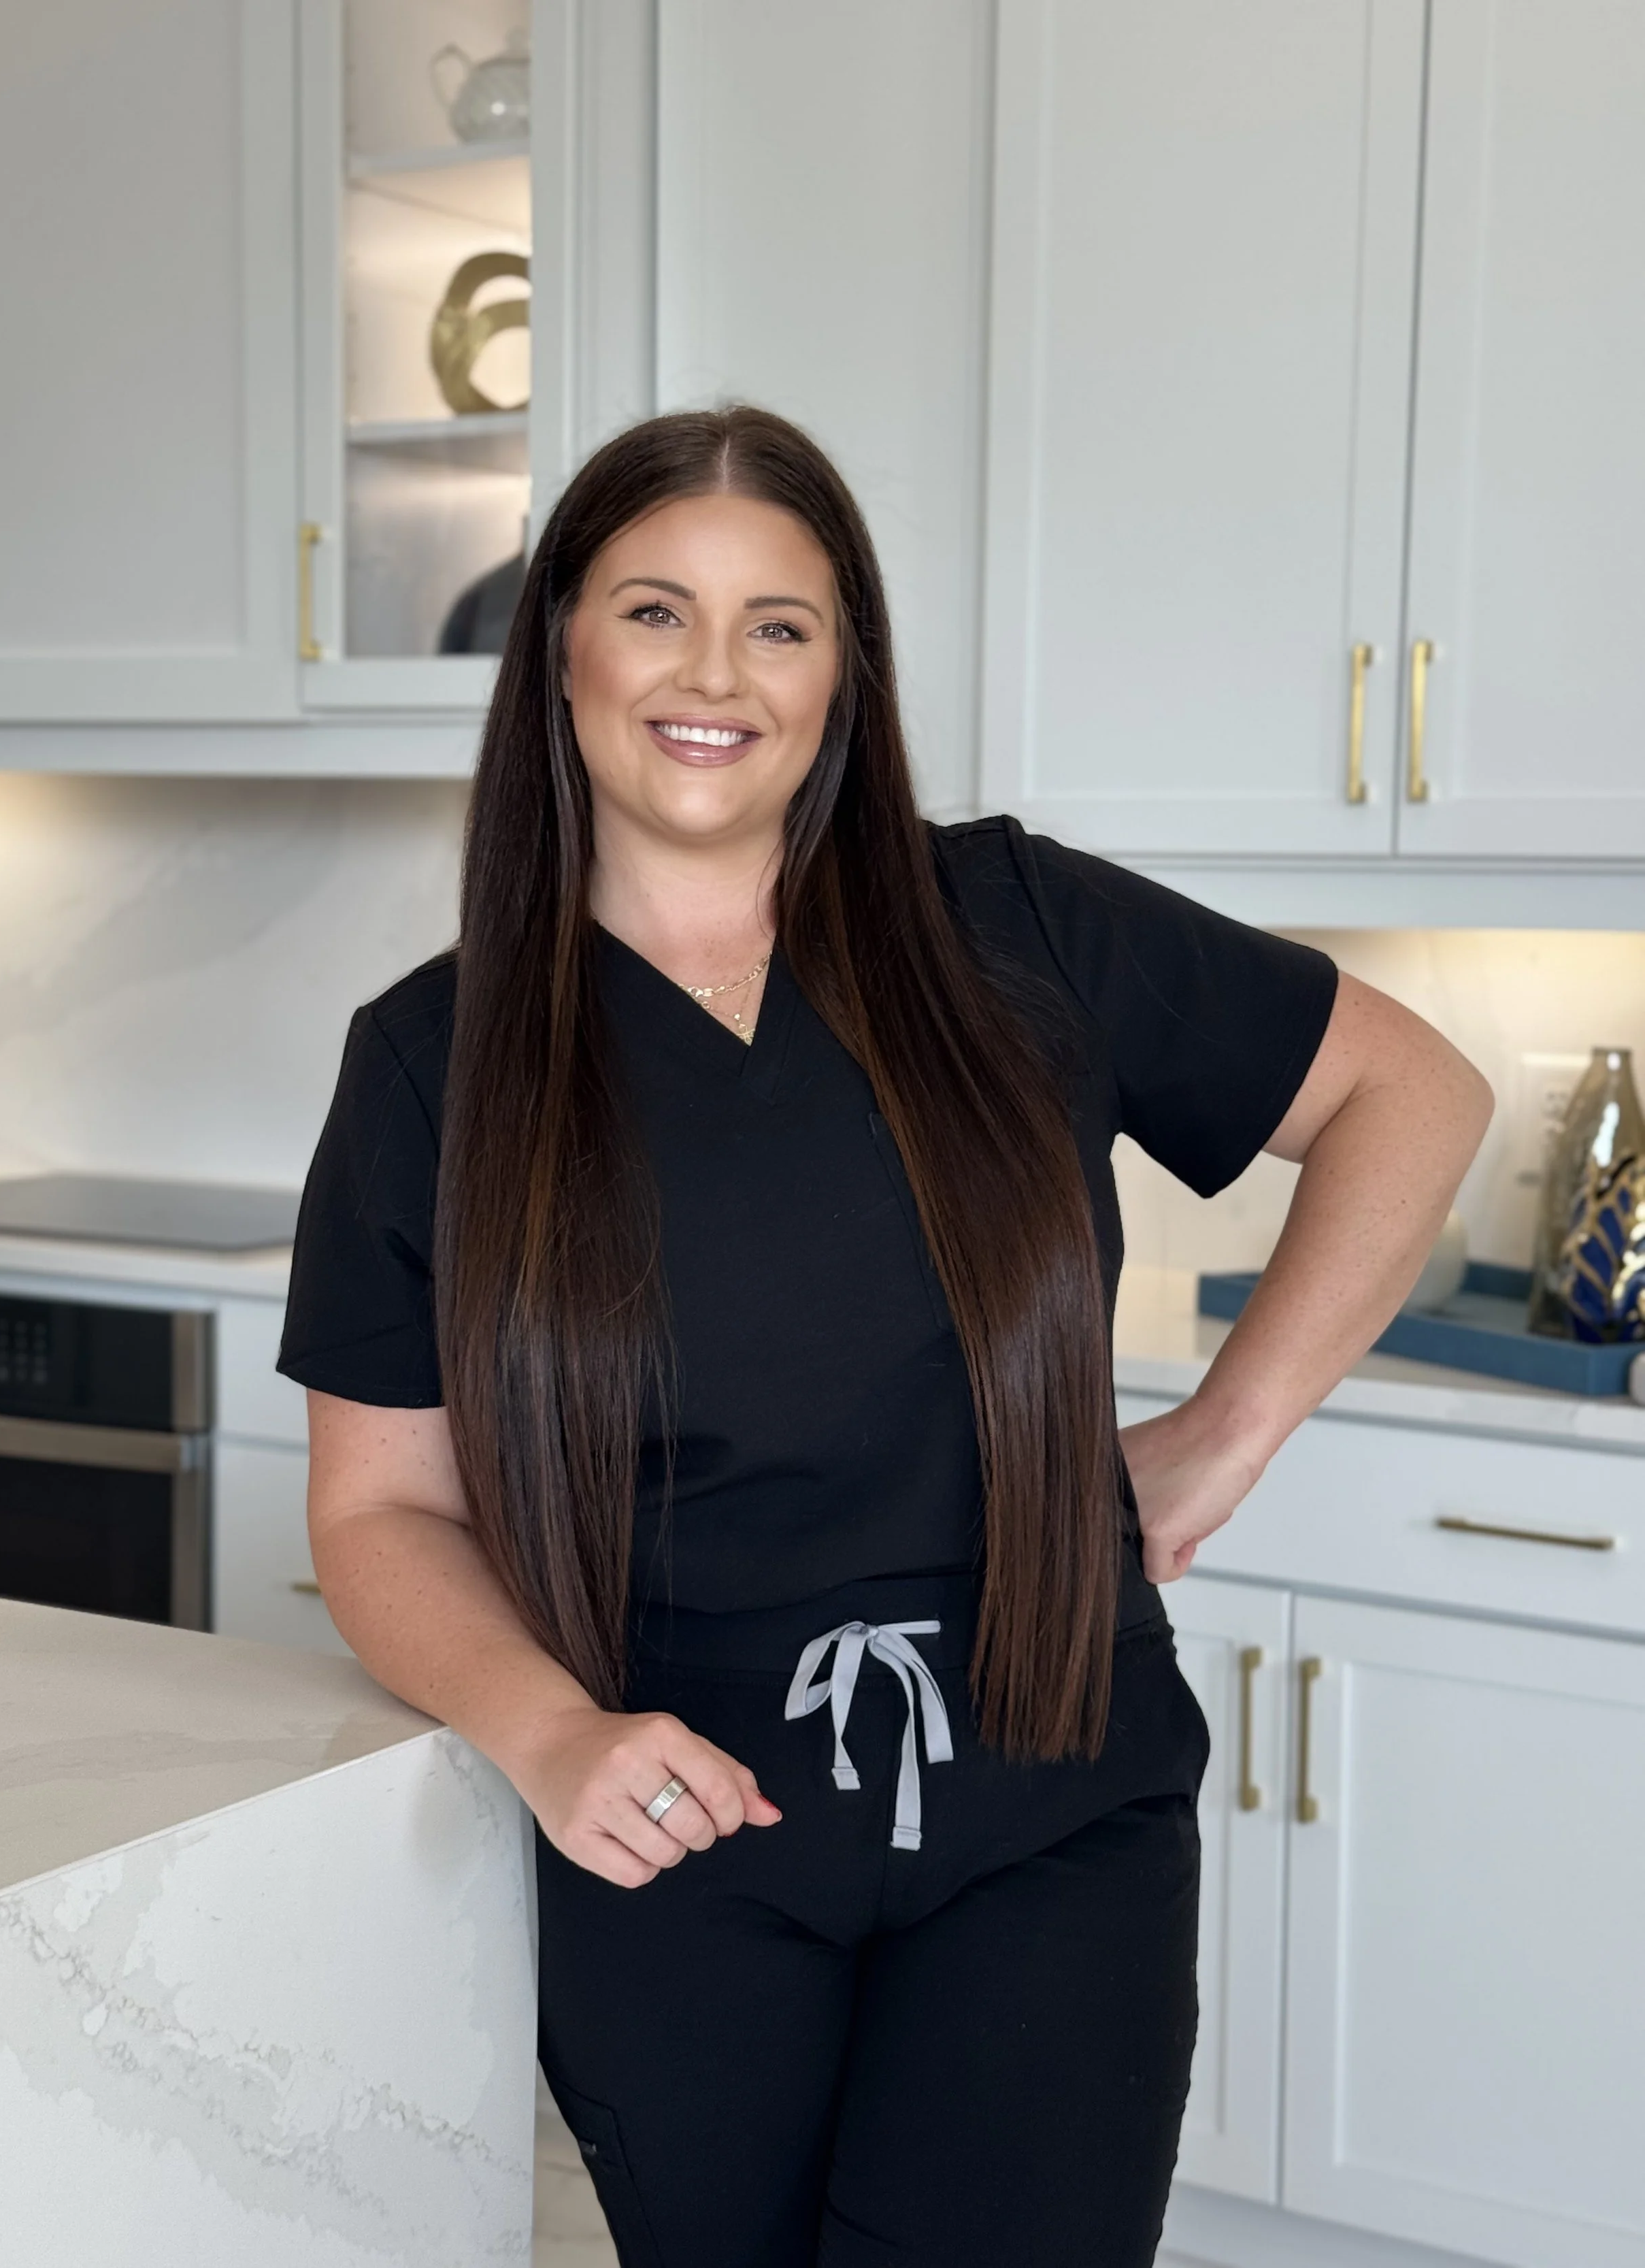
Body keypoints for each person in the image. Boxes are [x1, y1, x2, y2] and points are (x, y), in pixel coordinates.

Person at [277, 405, 1492, 2267]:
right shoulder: (437, 1059)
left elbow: (1404, 1090)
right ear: (563, 652)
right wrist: (547, 1733)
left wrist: (1222, 1435)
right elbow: (377, 1511)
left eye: (783, 623)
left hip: (1051, 1813)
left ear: (844, 675)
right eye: (655, 609)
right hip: (678, 1832)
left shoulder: (1009, 925)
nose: (715, 673)